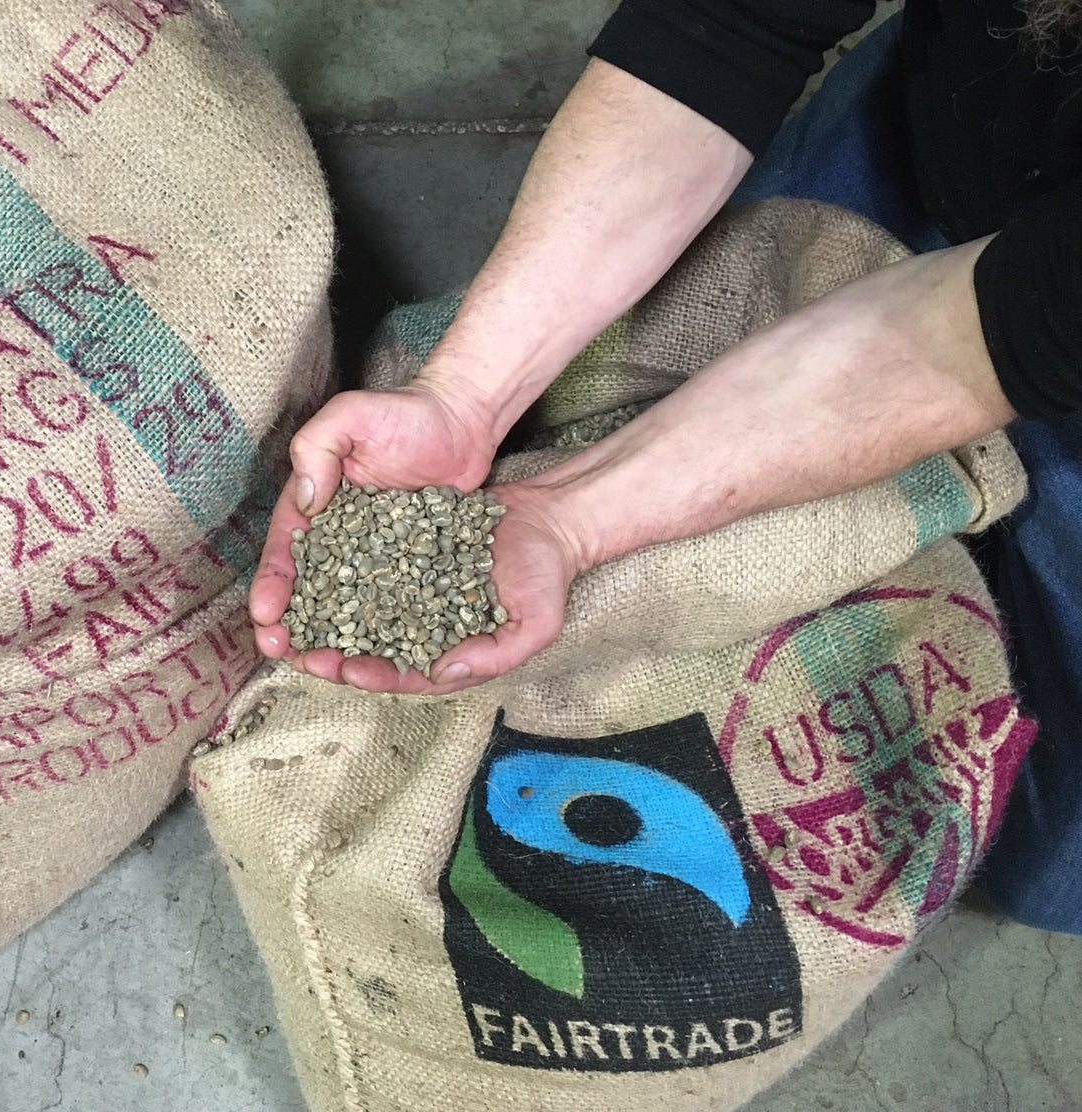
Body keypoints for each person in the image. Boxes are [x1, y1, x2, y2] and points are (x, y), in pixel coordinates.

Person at [247, 0, 1082, 932]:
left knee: (1041, 857)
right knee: (776, 245)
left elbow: (979, 342)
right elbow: (727, 26)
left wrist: (579, 515)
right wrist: (469, 399)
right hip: (988, 84)